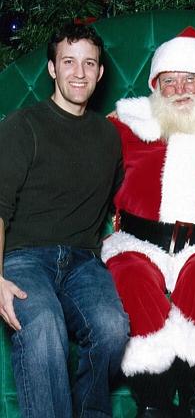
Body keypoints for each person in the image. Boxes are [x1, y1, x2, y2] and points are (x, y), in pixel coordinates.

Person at [101, 26, 195, 417]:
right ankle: (154, 400)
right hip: (138, 241)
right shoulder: (127, 126)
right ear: (155, 87)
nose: (180, 89)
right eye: (169, 81)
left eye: (190, 80)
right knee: (130, 277)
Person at [0, 23, 129, 418]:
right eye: (68, 62)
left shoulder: (111, 137)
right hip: (24, 259)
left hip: (83, 262)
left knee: (112, 328)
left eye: (89, 63)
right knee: (42, 325)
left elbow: (132, 195)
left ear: (100, 72)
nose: (79, 72)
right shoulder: (24, 126)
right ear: (52, 69)